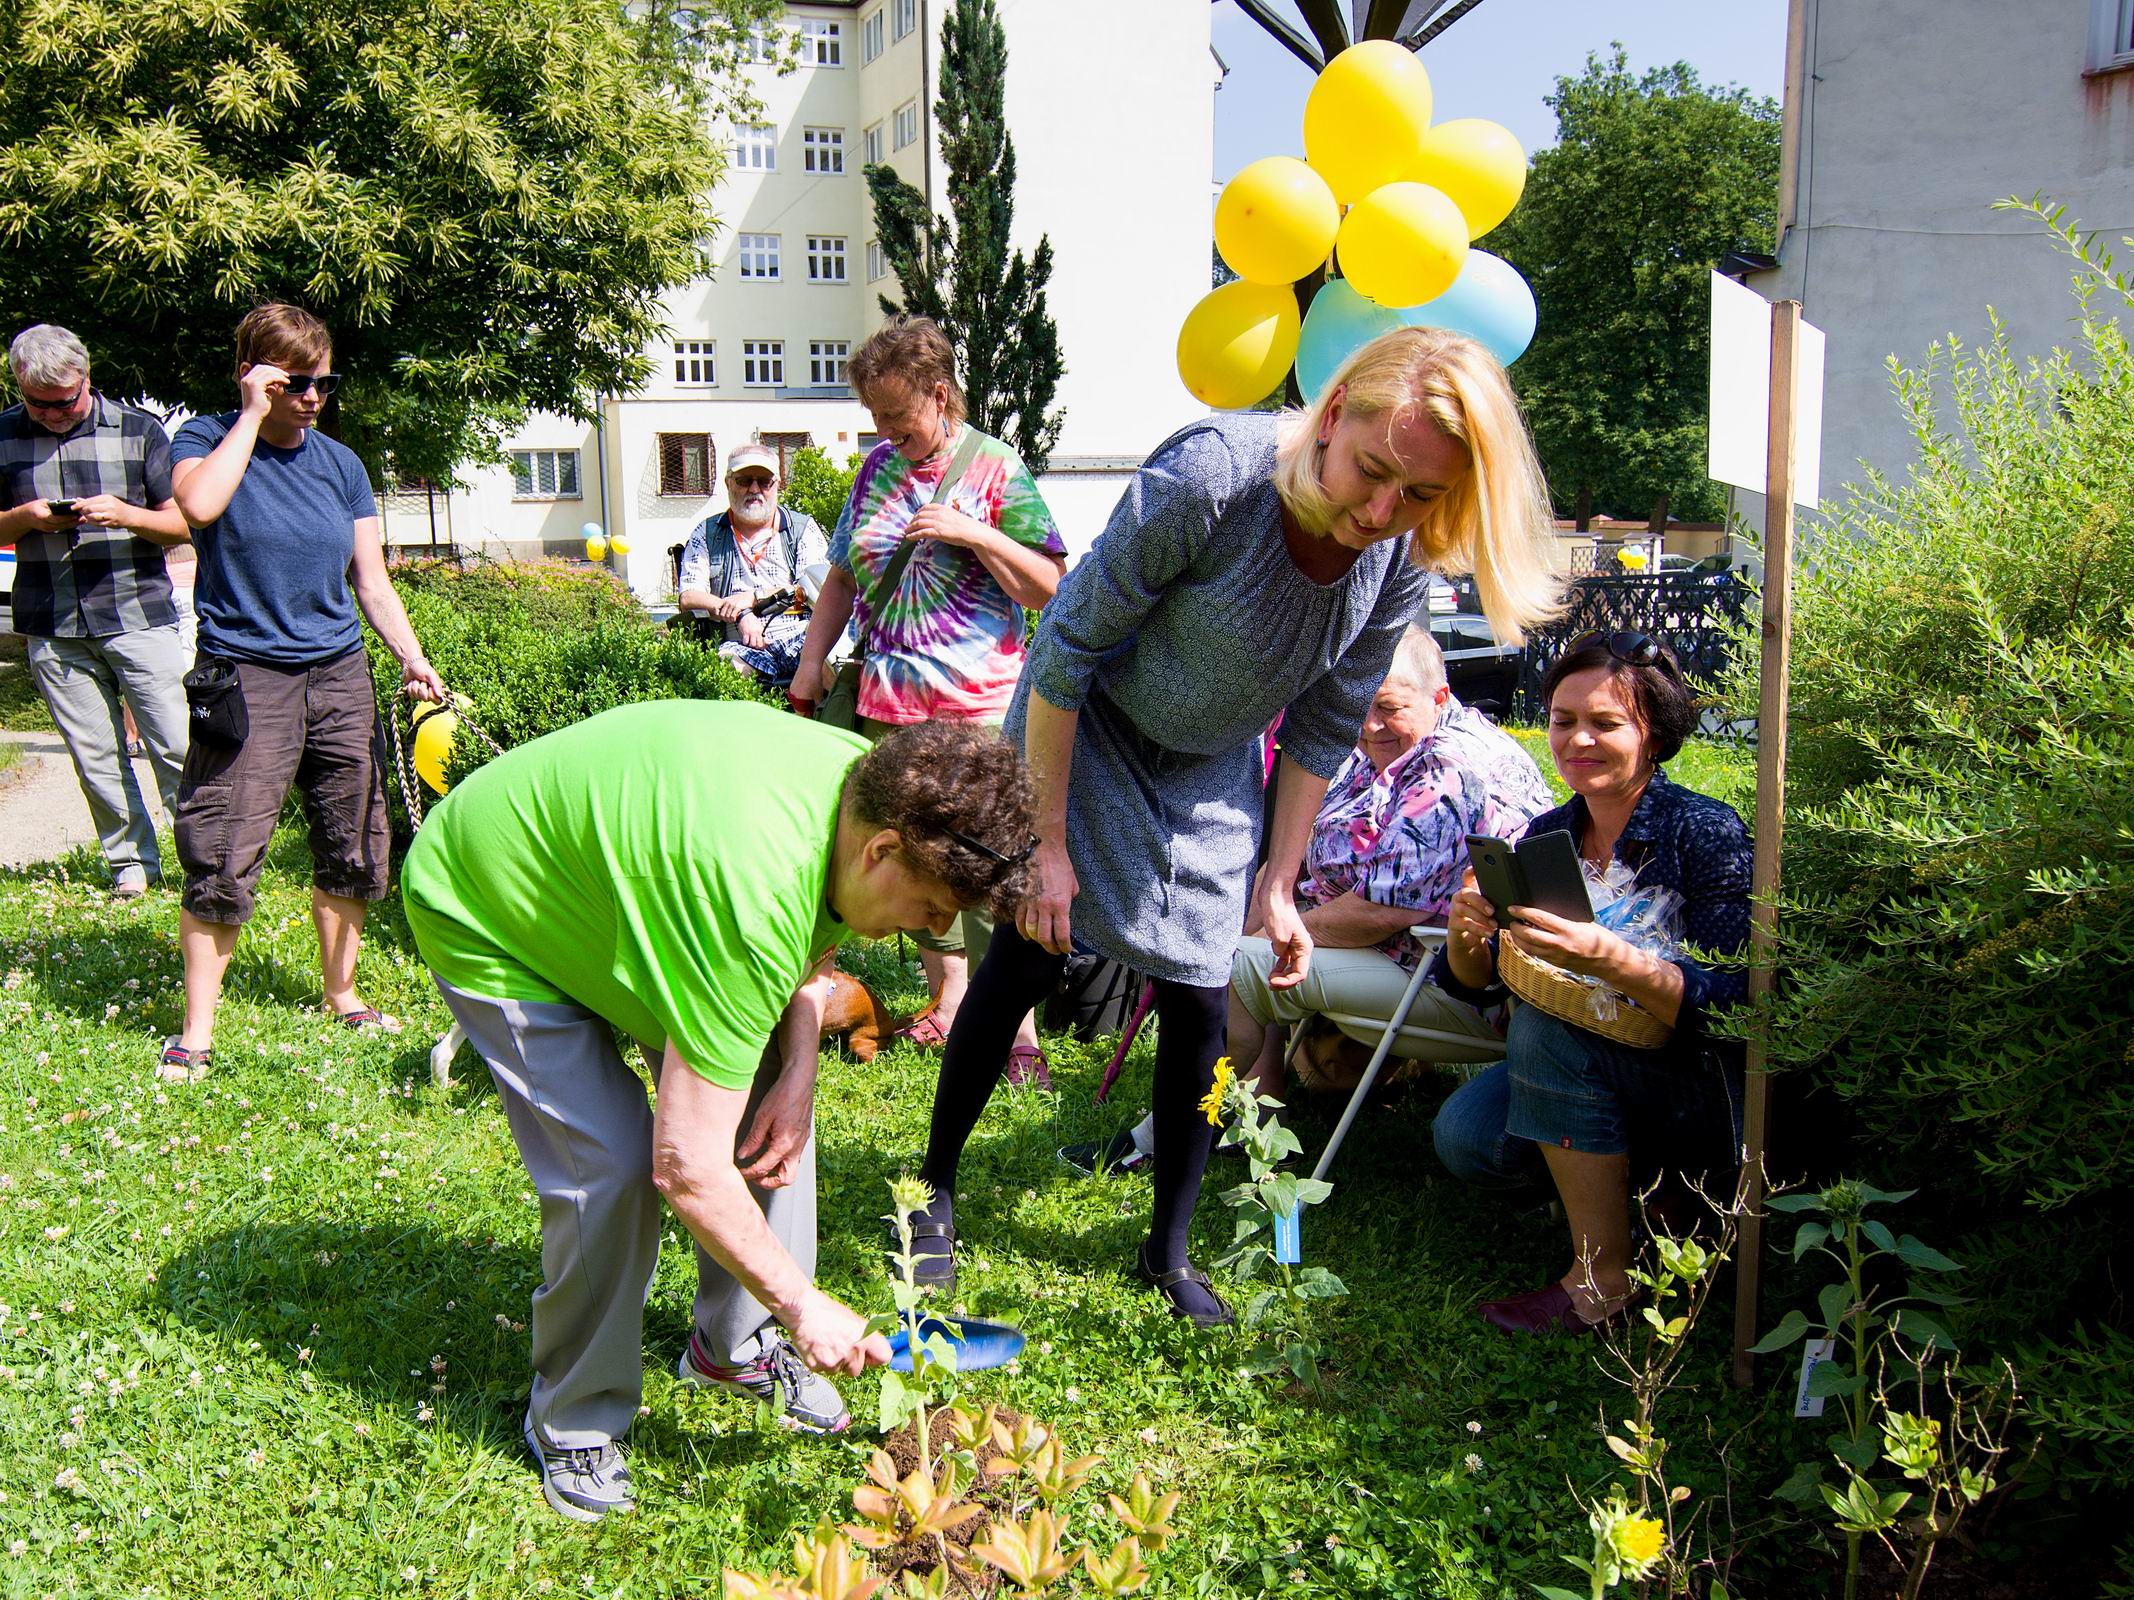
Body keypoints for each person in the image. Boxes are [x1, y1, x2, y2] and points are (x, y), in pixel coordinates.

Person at [908, 325, 1567, 1325]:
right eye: (1373, 472)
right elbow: (1066, 646)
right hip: (1085, 728)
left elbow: (1323, 720)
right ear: (1332, 414)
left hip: (1210, 763)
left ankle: (1166, 1254)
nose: (1382, 511)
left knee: (1203, 1001)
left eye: (1422, 495)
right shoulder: (1214, 475)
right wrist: (1045, 845)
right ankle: (933, 1191)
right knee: (1031, 952)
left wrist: (1277, 880)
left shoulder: (1392, 560)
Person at [401, 704, 1037, 1521]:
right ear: (882, 851)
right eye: (933, 907)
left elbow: (810, 937)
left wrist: (801, 1066)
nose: (938, 929)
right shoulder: (749, 891)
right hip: (492, 905)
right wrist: (807, 1307)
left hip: (626, 889)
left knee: (771, 1090)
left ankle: (735, 1346)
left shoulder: (876, 787)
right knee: (614, 1164)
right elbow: (686, 1165)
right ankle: (572, 1419)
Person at [1063, 625, 1553, 1175]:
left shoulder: (1450, 770)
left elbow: (1380, 910)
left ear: (1439, 697)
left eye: (1388, 707)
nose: (1369, 725)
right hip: (1390, 951)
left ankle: (1160, 1139)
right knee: (1245, 943)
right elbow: (1293, 854)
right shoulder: (1398, 746)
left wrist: (1256, 937)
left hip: (1449, 975)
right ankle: (1250, 1106)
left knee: (1228, 966)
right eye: (1362, 705)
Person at [1430, 631, 1752, 1336]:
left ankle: (1601, 1281)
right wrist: (1466, 939)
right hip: (1583, 1064)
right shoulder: (1549, 834)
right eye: (1562, 720)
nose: (1578, 739)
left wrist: (1608, 958)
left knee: (1548, 1031)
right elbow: (1477, 988)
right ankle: (1643, 1198)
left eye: (1605, 723)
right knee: (1468, 1137)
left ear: (1655, 734)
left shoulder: (1706, 831)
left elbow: (1736, 1004)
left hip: (1687, 1076)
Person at [161, 304, 444, 1082]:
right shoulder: (205, 442)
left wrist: (413, 659)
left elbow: (371, 580)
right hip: (245, 673)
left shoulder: (342, 465)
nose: (313, 396)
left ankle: (342, 993)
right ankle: (197, 1031)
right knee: (223, 844)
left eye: (324, 381)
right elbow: (197, 508)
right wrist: (251, 416)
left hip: (338, 672)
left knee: (353, 835)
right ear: (254, 375)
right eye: (294, 383)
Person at [790, 316, 1066, 1085]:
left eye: (896, 415)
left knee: (985, 866)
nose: (883, 431)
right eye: (875, 417)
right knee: (908, 856)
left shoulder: (996, 467)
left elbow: (1051, 585)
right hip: (887, 700)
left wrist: (975, 532)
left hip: (975, 708)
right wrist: (812, 664)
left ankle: (1017, 1033)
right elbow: (843, 575)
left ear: (939, 395)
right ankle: (949, 1002)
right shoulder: (877, 470)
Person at [0, 324, 192, 900]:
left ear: (87, 379)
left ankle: (208, 864)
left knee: (178, 746)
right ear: (19, 387)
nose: (55, 414)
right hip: (52, 621)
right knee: (96, 756)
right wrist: (26, 518)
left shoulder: (139, 430)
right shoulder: (2, 435)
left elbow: (185, 522)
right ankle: (131, 869)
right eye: (40, 404)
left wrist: (126, 515)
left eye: (65, 402)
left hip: (139, 612)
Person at [676, 441, 826, 685]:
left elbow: (814, 588)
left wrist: (754, 597)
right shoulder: (707, 532)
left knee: (832, 668)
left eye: (764, 481)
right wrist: (742, 613)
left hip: (802, 637)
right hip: (739, 644)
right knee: (724, 674)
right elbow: (689, 596)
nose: (754, 489)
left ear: (777, 484)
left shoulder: (802, 528)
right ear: (728, 484)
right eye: (744, 480)